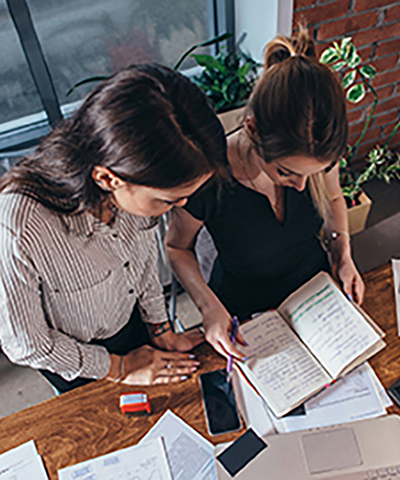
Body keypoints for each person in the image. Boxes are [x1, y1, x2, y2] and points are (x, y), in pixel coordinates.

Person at [0, 64, 228, 393]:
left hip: (132, 320)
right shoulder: (20, 226)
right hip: (74, 359)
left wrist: (160, 329)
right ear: (107, 178)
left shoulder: (133, 187)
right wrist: (120, 367)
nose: (181, 206)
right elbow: (27, 344)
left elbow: (144, 263)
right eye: (170, 200)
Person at [165, 28, 365, 361]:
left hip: (313, 293)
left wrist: (342, 252)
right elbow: (175, 247)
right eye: (286, 173)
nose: (302, 187)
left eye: (311, 174)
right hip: (242, 309)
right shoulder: (208, 175)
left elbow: (332, 199)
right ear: (253, 129)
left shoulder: (317, 150)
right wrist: (207, 307)